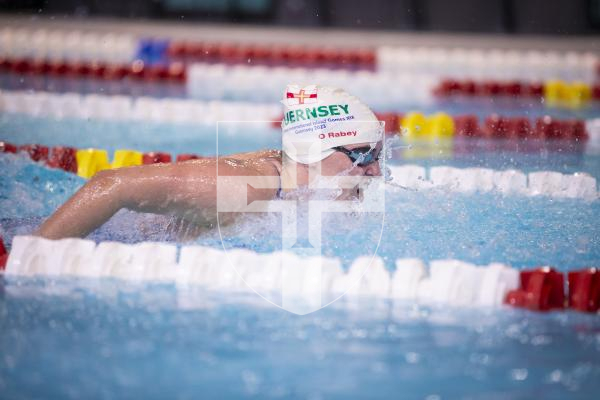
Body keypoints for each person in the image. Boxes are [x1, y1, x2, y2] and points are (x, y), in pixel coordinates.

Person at [35, 85, 384, 240]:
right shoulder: (245, 190)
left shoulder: (302, 184)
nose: (376, 171)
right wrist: (31, 256)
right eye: (364, 157)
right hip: (96, 241)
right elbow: (111, 184)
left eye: (378, 156)